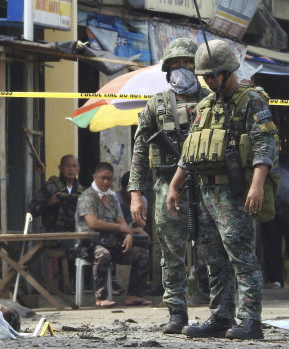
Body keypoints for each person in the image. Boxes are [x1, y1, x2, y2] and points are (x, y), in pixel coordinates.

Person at [167, 40, 279, 340]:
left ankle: (250, 320)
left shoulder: (251, 100)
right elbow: (190, 151)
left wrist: (256, 185)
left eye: (211, 77)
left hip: (236, 192)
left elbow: (265, 144)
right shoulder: (206, 105)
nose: (207, 82)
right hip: (206, 193)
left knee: (241, 256)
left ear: (228, 71)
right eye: (204, 78)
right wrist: (174, 186)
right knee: (214, 258)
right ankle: (221, 316)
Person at [128, 37, 214, 334]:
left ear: (197, 67)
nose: (181, 70)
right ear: (167, 69)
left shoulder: (211, 100)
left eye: (187, 64)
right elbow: (139, 151)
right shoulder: (157, 104)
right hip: (168, 188)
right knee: (171, 254)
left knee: (214, 251)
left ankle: (220, 311)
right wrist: (135, 194)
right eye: (175, 65)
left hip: (209, 186)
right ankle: (177, 312)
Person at [76, 162, 151, 308]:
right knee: (103, 255)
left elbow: (122, 222)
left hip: (112, 243)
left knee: (141, 255)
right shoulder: (88, 196)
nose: (106, 182)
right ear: (94, 177)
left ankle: (134, 295)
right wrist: (119, 227)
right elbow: (93, 223)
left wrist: (128, 235)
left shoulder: (112, 198)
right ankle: (101, 297)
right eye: (102, 178)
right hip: (90, 244)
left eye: (109, 179)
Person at [29, 154, 84, 236]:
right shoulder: (49, 187)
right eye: (67, 165)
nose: (71, 169)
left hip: (75, 236)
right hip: (52, 236)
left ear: (78, 169)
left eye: (74, 166)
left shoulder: (82, 191)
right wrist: (48, 202)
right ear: (60, 168)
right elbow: (32, 210)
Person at [261, 152, 289, 289]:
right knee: (271, 243)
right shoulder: (264, 157)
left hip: (286, 203)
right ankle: (275, 280)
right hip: (270, 203)